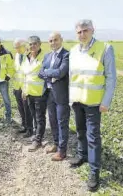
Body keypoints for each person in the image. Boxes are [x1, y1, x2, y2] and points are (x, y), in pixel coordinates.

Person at [69, 19, 117, 192]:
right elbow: (72, 76)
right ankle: (82, 156)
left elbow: (111, 78)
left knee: (93, 137)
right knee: (80, 131)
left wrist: (106, 102)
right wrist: (70, 98)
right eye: (79, 32)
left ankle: (94, 172)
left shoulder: (105, 48)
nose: (82, 34)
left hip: (94, 103)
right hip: (77, 100)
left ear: (92, 30)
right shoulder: (74, 51)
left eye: (85, 31)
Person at [38, 32, 70, 161]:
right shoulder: (47, 56)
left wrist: (47, 73)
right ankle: (56, 144)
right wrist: (51, 75)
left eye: (55, 40)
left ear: (61, 40)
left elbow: (61, 72)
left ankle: (62, 151)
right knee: (52, 120)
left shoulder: (66, 55)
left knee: (62, 122)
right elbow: (40, 73)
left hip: (61, 94)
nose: (53, 43)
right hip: (49, 93)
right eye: (50, 41)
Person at [21, 36, 47, 152]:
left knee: (40, 117)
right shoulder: (26, 58)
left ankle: (38, 140)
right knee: (34, 115)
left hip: (40, 93)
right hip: (29, 92)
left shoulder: (44, 57)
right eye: (30, 44)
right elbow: (25, 75)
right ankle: (37, 135)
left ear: (40, 44)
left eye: (35, 44)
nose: (32, 46)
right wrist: (24, 90)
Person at [13, 38, 33, 138]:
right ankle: (24, 126)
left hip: (26, 87)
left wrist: (25, 89)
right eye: (15, 47)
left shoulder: (29, 56)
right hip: (17, 86)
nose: (16, 49)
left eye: (18, 47)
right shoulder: (17, 55)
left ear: (24, 46)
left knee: (27, 109)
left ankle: (30, 129)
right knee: (20, 107)